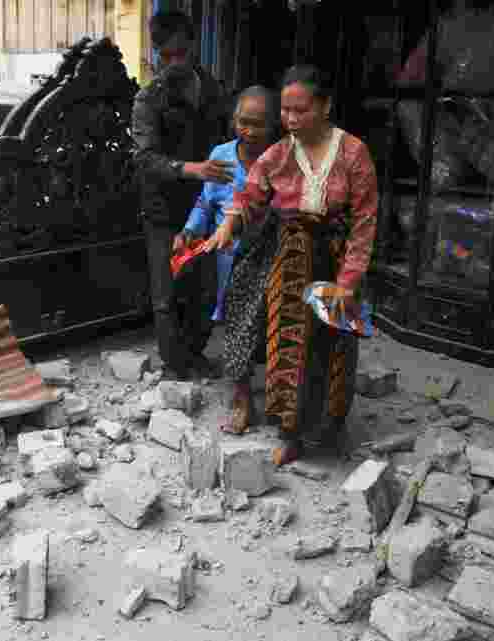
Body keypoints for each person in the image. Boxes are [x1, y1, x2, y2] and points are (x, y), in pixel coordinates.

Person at [203, 65, 380, 465]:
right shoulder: (280, 153)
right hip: (291, 258)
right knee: (290, 347)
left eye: (300, 110)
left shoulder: (353, 153)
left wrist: (349, 282)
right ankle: (290, 433)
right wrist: (229, 224)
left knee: (332, 349)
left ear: (325, 107)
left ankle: (328, 433)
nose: (290, 119)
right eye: (285, 111)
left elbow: (365, 222)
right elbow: (250, 194)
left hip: (336, 261)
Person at [132, 10, 231, 381]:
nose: (173, 62)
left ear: (192, 47)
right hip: (162, 210)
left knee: (205, 288)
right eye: (165, 55)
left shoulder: (213, 89)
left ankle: (195, 354)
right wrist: (194, 168)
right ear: (156, 53)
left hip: (206, 206)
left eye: (180, 53)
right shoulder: (148, 99)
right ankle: (175, 366)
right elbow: (145, 158)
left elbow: (228, 139)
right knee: (167, 295)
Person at [175, 85, 280, 325]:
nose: (251, 131)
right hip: (224, 253)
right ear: (234, 120)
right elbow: (206, 202)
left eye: (259, 124)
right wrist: (189, 231)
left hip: (265, 256)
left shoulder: (279, 160)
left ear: (273, 124)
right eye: (244, 122)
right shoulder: (221, 155)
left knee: (260, 317)